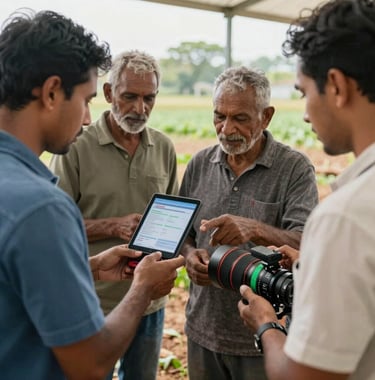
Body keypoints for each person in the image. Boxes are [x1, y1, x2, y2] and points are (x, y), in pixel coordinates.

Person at [0, 9, 185, 380]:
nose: (86, 118)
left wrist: (91, 267)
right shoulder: (41, 208)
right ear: (52, 92)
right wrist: (141, 289)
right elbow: (90, 364)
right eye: (85, 100)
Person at [238, 0, 375, 379]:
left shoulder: (345, 218)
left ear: (336, 85)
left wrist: (266, 324)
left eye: (303, 92)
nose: (304, 112)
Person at [178, 65, 319, 380]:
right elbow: (183, 234)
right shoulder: (200, 163)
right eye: (219, 116)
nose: (226, 129)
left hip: (265, 337)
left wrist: (254, 229)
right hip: (203, 330)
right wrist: (190, 256)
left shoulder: (294, 169)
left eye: (240, 118)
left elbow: (307, 243)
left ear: (266, 116)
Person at [49, 49, 179, 380]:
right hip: (91, 298)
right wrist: (112, 225)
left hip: (149, 302)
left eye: (149, 98)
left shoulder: (163, 147)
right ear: (108, 94)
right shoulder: (75, 146)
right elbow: (57, 227)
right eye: (130, 96)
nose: (140, 108)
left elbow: (175, 219)